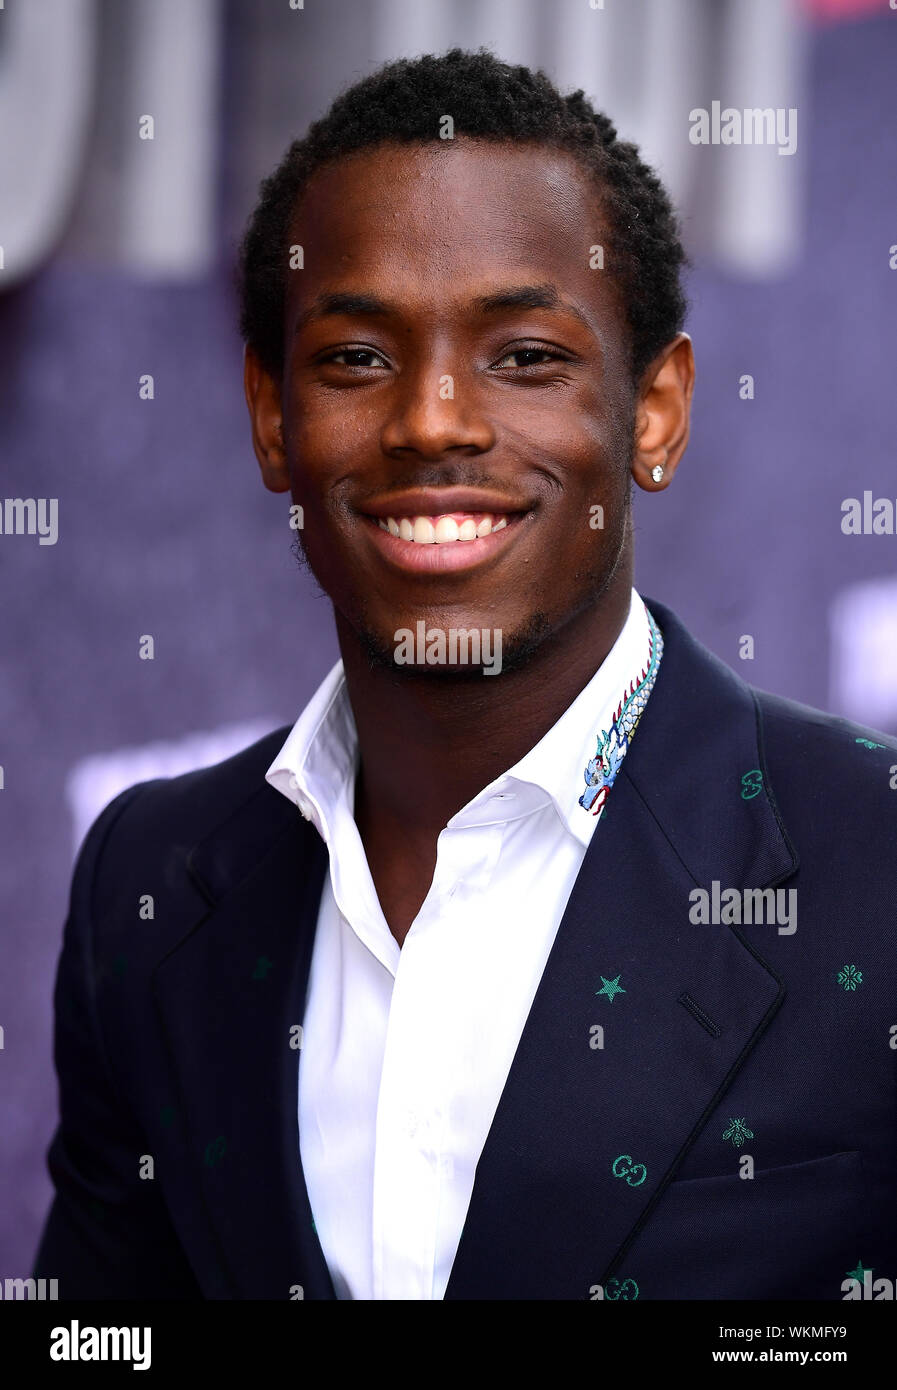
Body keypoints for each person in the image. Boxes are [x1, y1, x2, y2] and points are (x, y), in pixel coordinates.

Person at [34, 48, 896, 1301]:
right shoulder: (151, 883)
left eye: (526, 356)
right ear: (272, 417)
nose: (433, 419)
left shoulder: (870, 858)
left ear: (653, 410)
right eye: (356, 359)